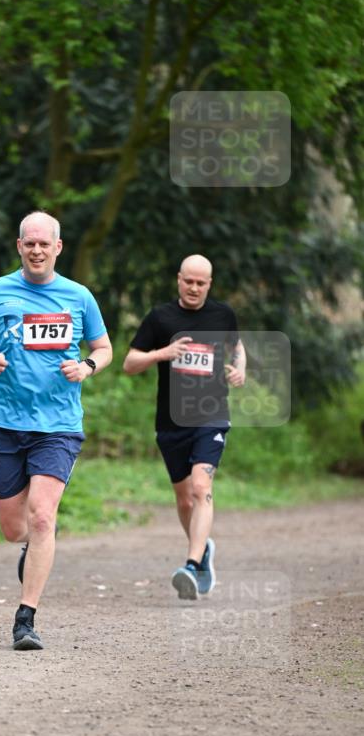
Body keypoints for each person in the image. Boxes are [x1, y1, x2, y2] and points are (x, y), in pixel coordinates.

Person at [0, 211, 112, 649]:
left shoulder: (79, 296)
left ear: (58, 248)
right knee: (15, 528)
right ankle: (33, 546)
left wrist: (85, 366)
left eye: (45, 243)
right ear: (20, 246)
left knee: (43, 515)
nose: (37, 250)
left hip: (58, 424)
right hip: (2, 421)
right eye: (30, 243)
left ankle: (25, 619)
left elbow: (103, 348)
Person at [123, 255, 246, 599]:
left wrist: (240, 369)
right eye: (188, 281)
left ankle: (191, 564)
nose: (194, 288)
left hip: (212, 416)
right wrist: (163, 353)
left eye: (201, 283)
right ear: (179, 280)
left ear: (210, 284)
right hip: (170, 422)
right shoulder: (160, 318)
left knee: (200, 485)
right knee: (183, 498)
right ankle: (203, 549)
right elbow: (130, 363)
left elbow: (237, 348)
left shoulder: (223, 315)